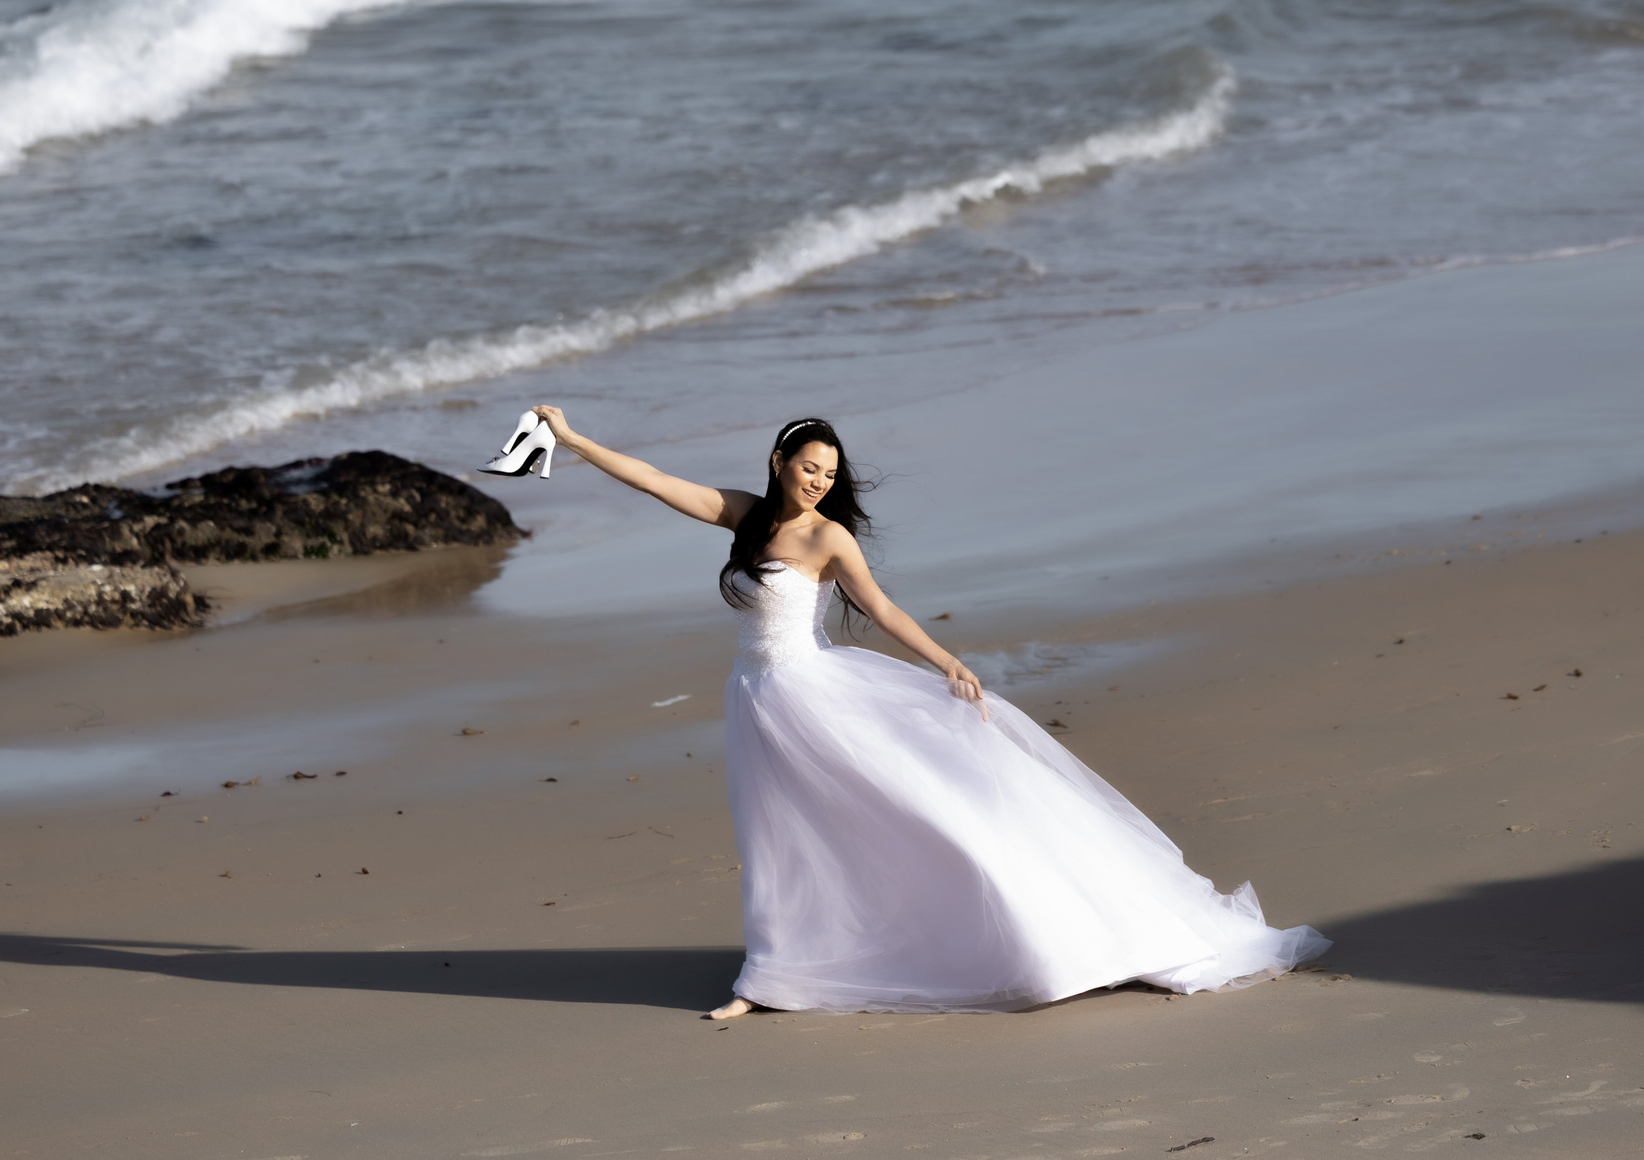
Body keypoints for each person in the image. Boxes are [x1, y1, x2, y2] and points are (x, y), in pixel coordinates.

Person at [524, 406, 1332, 1019]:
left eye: (827, 472)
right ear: (778, 462)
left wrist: (947, 661)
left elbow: (879, 608)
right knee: (779, 839)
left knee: (920, 811)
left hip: (814, 697)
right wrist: (574, 437)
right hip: (757, 697)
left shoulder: (828, 538)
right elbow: (655, 481)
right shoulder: (746, 515)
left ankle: (1028, 927)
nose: (817, 480)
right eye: (808, 467)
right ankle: (770, 974)